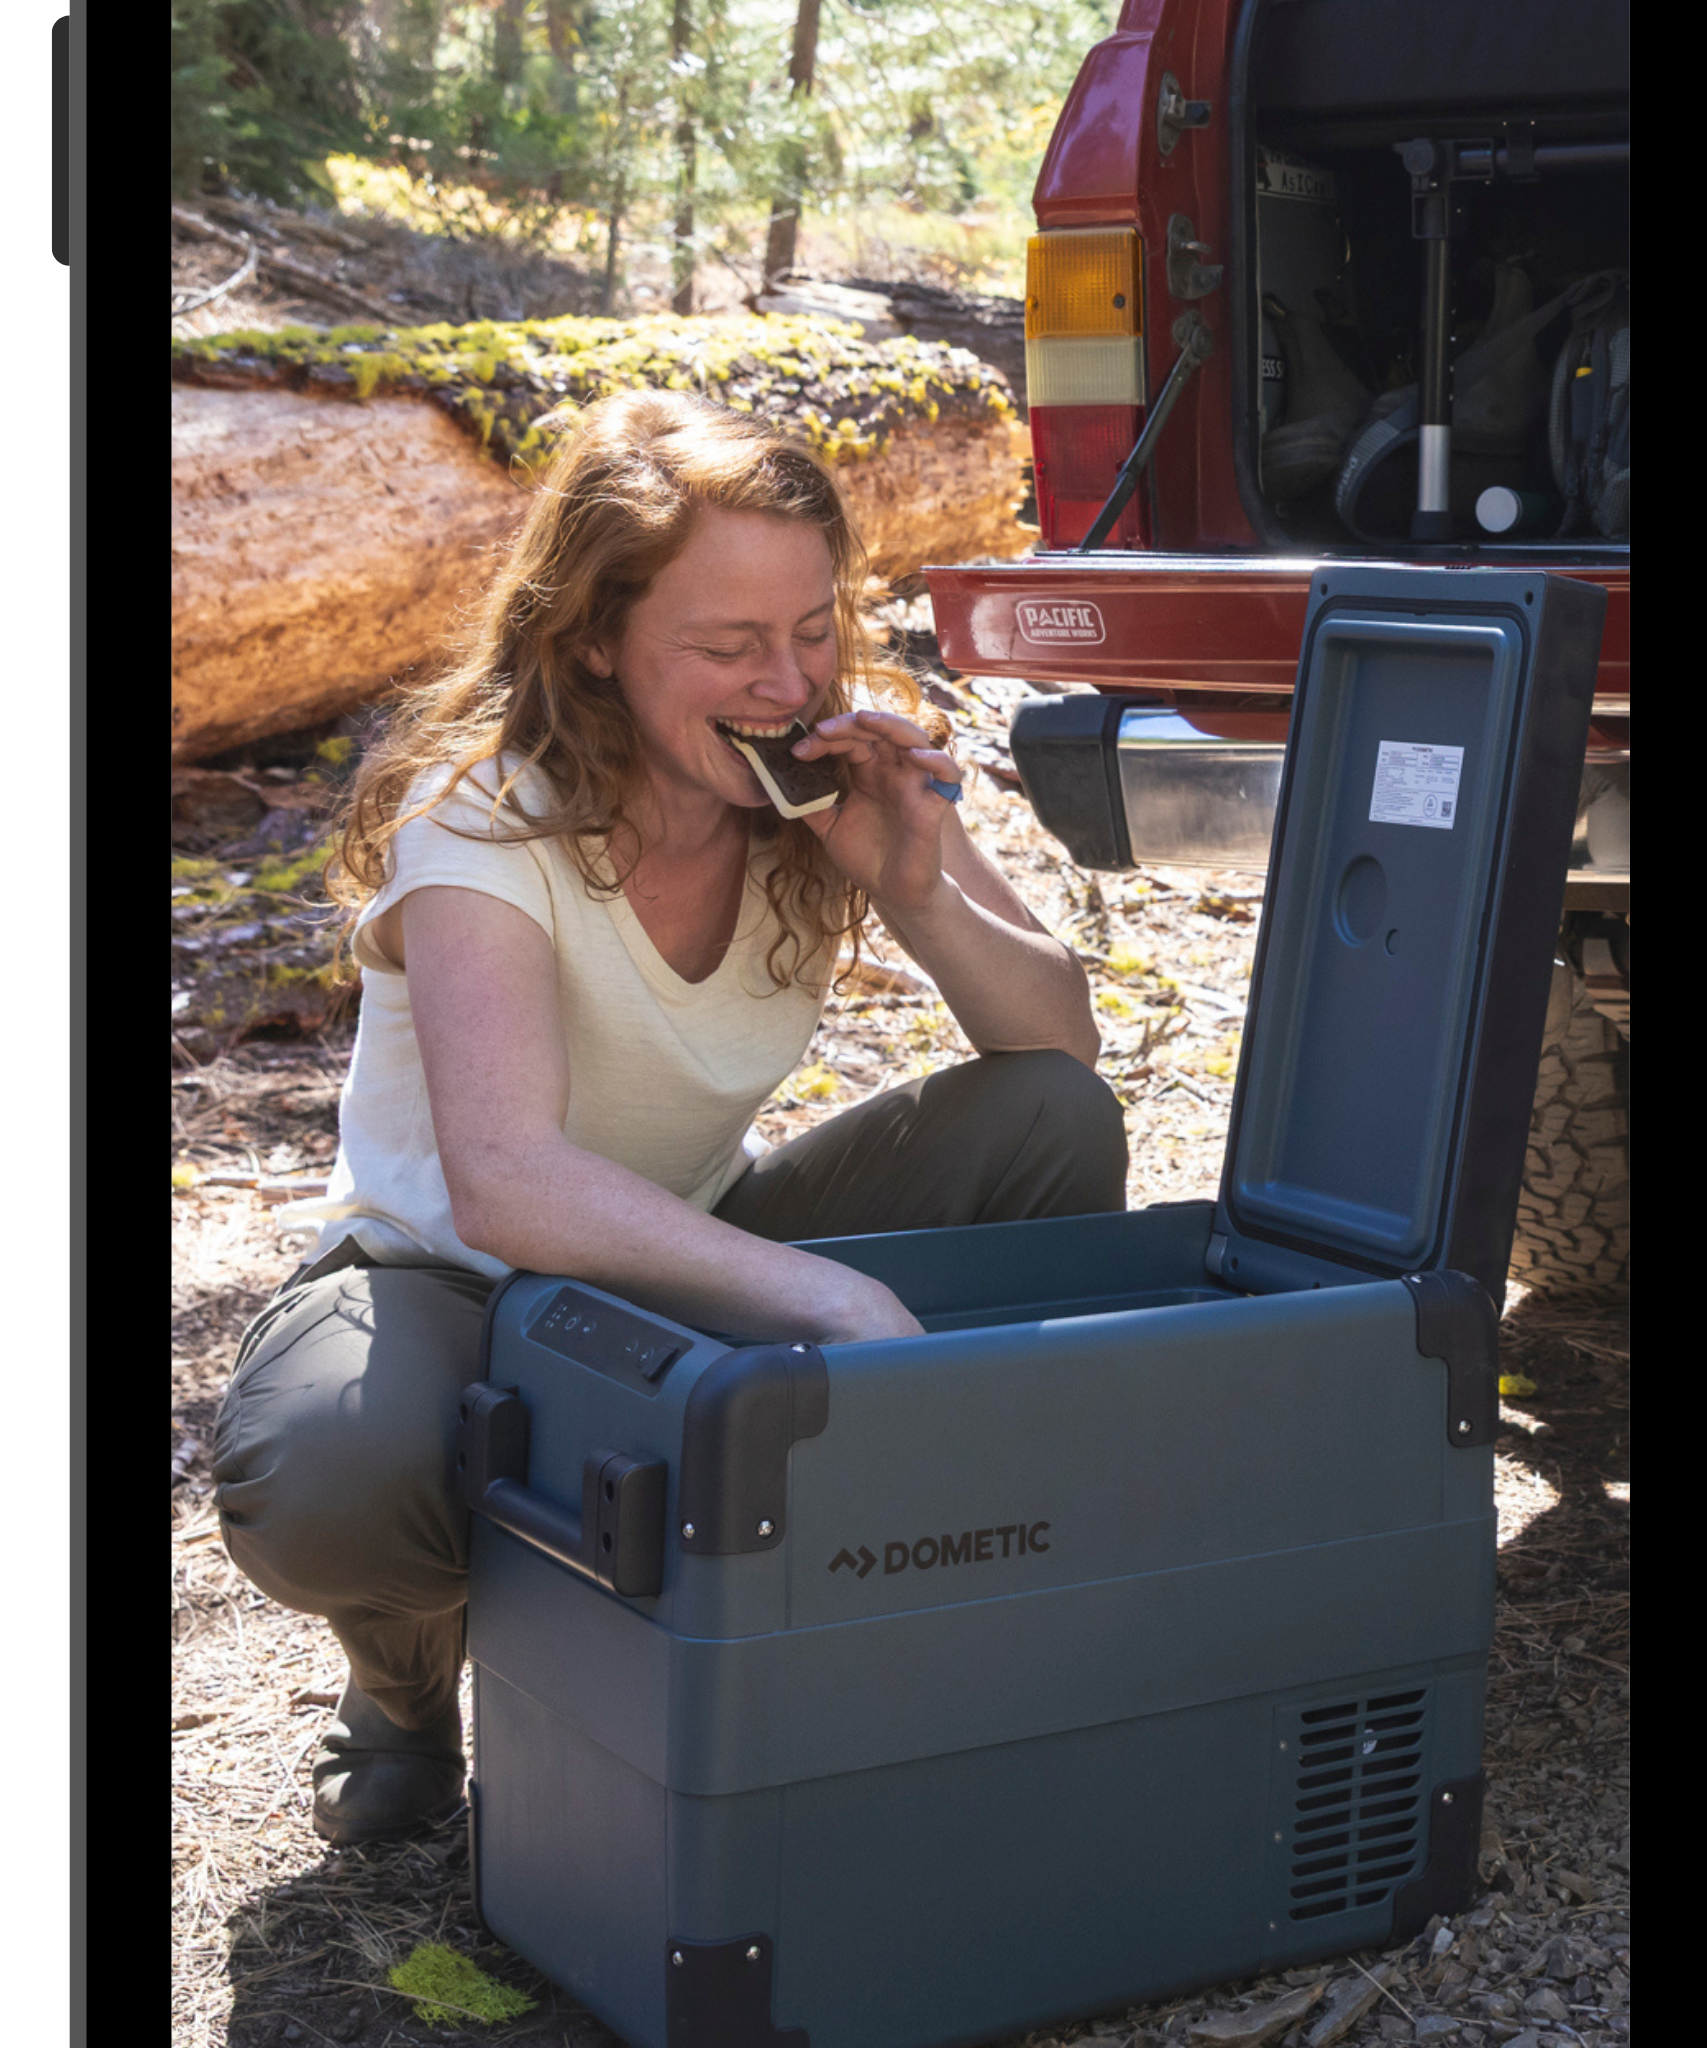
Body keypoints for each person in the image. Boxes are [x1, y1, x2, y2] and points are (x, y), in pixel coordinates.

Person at [212, 390, 1126, 1845]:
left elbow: (1059, 1047)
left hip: (685, 1248)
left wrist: (913, 876)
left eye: (811, 629)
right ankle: (401, 1684)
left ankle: (867, 1601)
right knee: (332, 1477)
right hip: (453, 1281)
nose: (785, 682)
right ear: (595, 640)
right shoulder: (482, 822)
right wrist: (832, 1294)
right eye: (725, 645)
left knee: (1049, 1123)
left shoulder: (817, 792)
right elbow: (507, 1185)